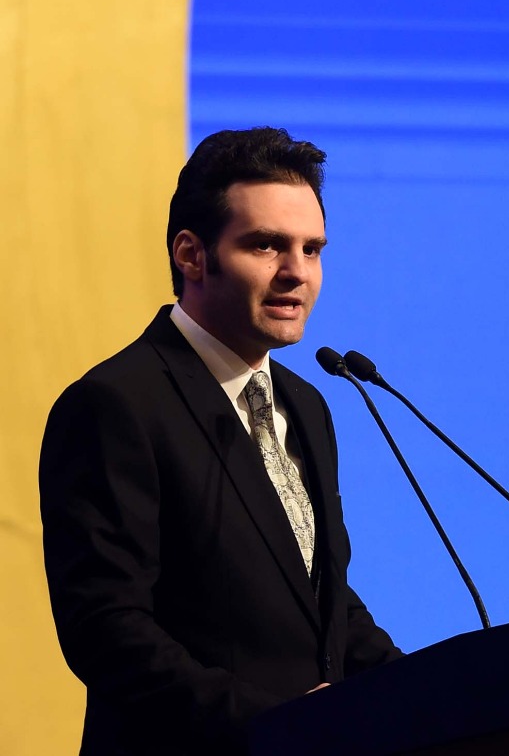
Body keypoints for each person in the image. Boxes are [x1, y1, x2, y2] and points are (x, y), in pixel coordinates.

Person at [40, 128, 403, 755]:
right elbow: (107, 631)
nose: (296, 273)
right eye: (266, 245)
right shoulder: (115, 403)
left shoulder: (306, 404)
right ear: (191, 254)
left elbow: (322, 602)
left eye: (312, 249)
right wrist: (280, 725)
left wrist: (428, 695)